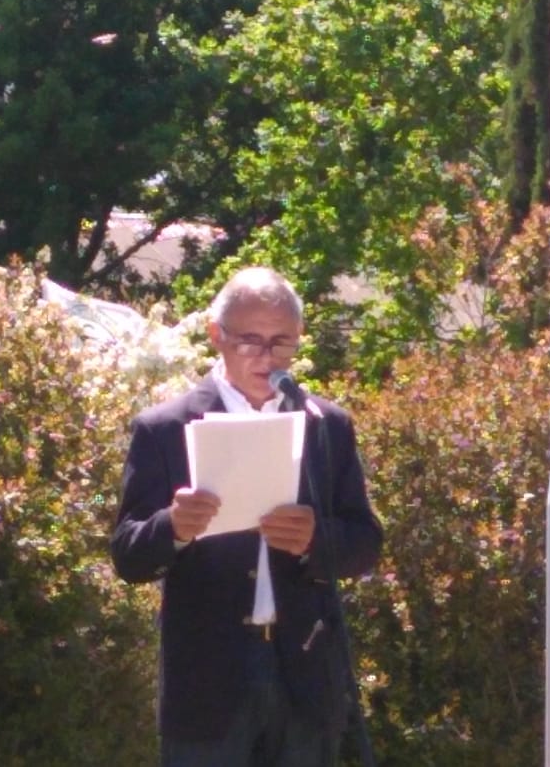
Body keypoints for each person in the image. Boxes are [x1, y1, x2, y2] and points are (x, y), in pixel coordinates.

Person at [111, 267, 383, 766]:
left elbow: (365, 542)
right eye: (250, 340)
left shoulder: (326, 425)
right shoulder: (165, 428)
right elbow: (127, 556)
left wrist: (315, 538)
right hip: (208, 685)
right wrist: (174, 527)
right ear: (216, 335)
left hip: (303, 676)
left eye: (281, 342)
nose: (266, 356)